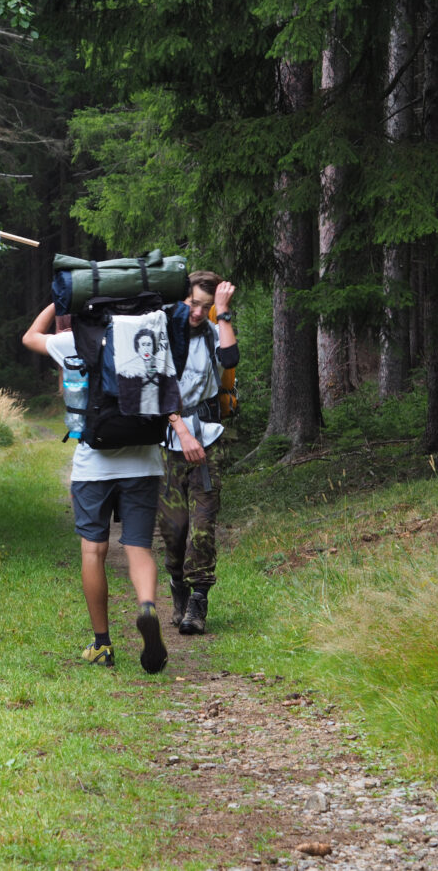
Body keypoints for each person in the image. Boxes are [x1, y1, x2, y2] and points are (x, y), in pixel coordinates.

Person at [22, 303, 168, 674]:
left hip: (93, 463)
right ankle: (147, 606)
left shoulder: (76, 340)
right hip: (144, 459)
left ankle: (102, 644)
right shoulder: (150, 333)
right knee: (138, 546)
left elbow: (30, 337)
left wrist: (57, 302)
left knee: (93, 549)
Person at [160, 271, 239, 635]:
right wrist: (181, 430)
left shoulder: (213, 332)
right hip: (171, 442)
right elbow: (155, 388)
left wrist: (222, 312)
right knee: (174, 530)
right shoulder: (164, 333)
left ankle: (198, 601)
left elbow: (231, 357)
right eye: (193, 303)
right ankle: (177, 584)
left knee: (203, 526)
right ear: (182, 300)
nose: (197, 312)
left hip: (209, 440)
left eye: (204, 306)